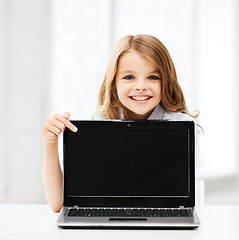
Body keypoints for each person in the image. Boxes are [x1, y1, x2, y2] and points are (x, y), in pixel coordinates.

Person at [42, 34, 199, 212]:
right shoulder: (102, 123)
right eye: (129, 77)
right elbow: (57, 204)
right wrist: (50, 143)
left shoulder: (181, 126)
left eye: (153, 77)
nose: (141, 86)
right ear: (114, 83)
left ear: (167, 81)